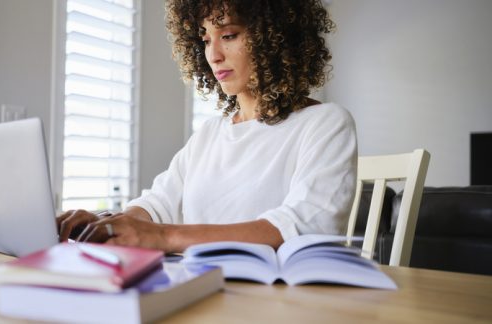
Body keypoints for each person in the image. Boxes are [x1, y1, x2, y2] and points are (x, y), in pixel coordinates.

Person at [57, 0, 357, 253]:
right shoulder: (210, 134)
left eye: (228, 35)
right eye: (205, 39)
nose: (213, 55)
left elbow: (306, 225)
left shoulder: (325, 123)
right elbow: (158, 203)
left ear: (276, 37)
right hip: (198, 289)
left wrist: (162, 236)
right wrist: (108, 224)